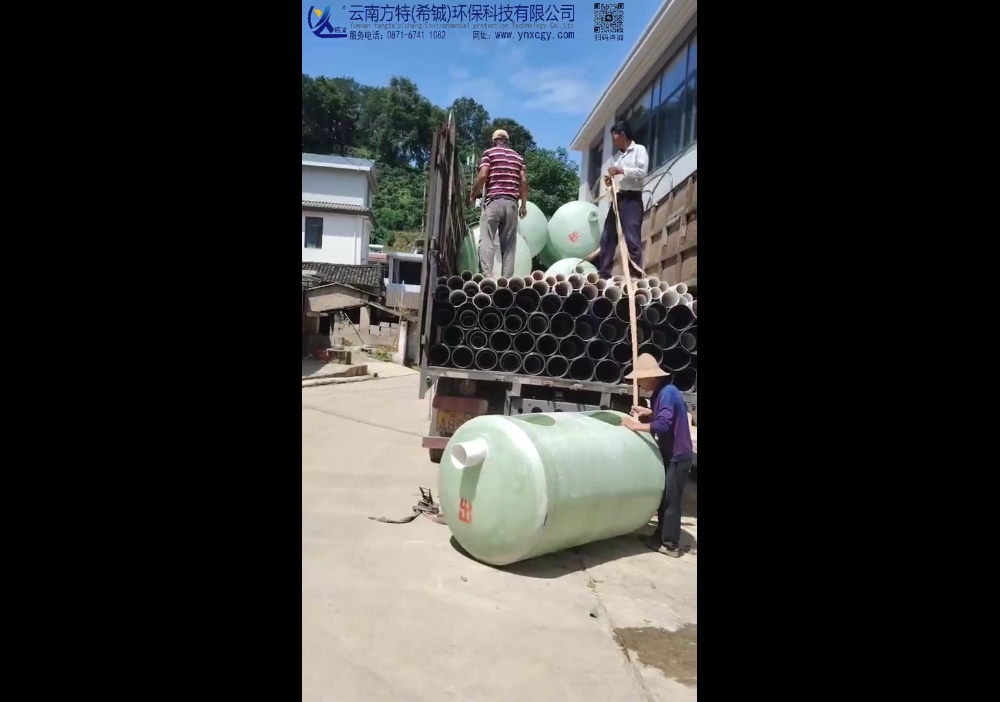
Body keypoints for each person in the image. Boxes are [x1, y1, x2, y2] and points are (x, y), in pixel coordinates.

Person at [621, 353, 694, 557]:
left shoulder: (667, 393)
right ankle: (660, 535)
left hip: (678, 456)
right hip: (670, 452)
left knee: (671, 500)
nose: (639, 384)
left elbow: (663, 425)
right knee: (663, 497)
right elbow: (663, 415)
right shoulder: (661, 392)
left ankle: (670, 544)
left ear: (651, 377)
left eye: (641, 380)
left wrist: (634, 425)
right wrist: (647, 412)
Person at [468, 129, 528, 278]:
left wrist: (473, 194)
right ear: (507, 141)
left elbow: (483, 175)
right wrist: (523, 205)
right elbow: (523, 181)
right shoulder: (518, 158)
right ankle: (506, 281)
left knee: (487, 239)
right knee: (509, 246)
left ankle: (487, 278)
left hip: (494, 202)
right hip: (512, 204)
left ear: (494, 141)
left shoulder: (489, 154)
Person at [599, 120, 648, 280]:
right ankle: (604, 273)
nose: (614, 141)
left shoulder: (639, 150)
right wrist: (610, 179)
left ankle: (635, 274)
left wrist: (621, 170)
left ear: (623, 135)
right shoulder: (617, 157)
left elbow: (642, 171)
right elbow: (617, 177)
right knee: (608, 236)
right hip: (617, 198)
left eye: (614, 136)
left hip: (632, 198)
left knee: (632, 237)